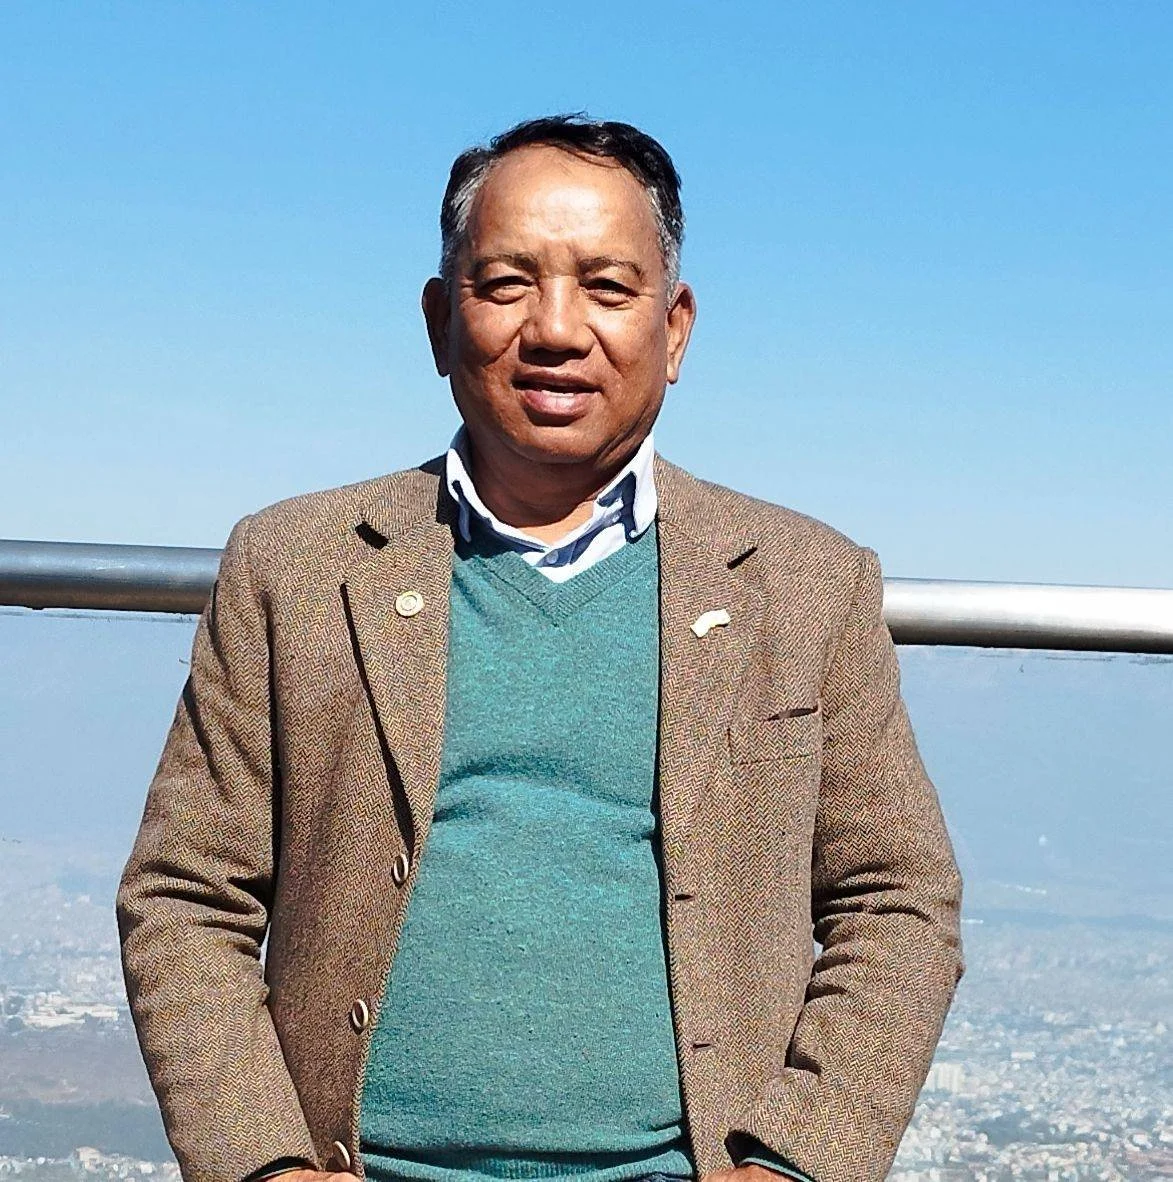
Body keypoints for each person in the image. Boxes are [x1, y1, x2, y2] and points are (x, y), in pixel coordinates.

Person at [117, 115, 963, 1182]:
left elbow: (899, 898)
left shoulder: (804, 586)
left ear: (677, 326)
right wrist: (261, 1166)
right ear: (439, 320)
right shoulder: (296, 566)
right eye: (508, 283)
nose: (556, 330)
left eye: (607, 288)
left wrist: (798, 1163)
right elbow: (184, 895)